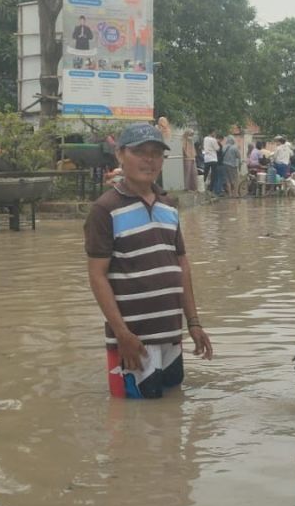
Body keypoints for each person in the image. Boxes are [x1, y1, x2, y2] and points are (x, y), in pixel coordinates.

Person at [84, 123, 213, 399]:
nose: (149, 160)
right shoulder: (105, 210)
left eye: (156, 153)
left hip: (170, 335)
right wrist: (122, 334)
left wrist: (193, 323)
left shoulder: (169, 206)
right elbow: (97, 276)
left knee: (169, 417)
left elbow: (181, 265)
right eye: (140, 152)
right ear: (120, 155)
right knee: (134, 422)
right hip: (133, 342)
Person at [181, 128, 198, 192]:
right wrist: (187, 155)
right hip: (187, 159)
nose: (191, 136)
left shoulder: (191, 141)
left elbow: (193, 149)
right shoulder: (184, 140)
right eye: (190, 134)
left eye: (192, 134)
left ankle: (194, 187)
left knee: (194, 173)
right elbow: (184, 149)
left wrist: (194, 156)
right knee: (187, 173)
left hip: (193, 158)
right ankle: (187, 188)